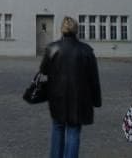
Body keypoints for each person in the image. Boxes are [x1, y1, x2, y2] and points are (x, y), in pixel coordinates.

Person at [39, 16, 101, 158]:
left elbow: (43, 70)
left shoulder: (52, 48)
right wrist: (96, 101)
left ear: (62, 29)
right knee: (73, 131)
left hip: (57, 97)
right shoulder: (86, 51)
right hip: (79, 99)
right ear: (76, 30)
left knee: (58, 128)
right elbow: (94, 79)